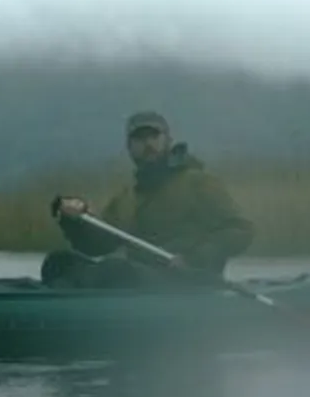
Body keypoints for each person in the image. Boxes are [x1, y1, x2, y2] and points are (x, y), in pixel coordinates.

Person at [42, 110, 255, 288]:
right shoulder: (127, 198)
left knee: (116, 269)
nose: (148, 144)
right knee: (58, 262)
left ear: (167, 140)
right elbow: (99, 245)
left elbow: (240, 229)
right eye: (139, 139)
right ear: (129, 147)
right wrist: (75, 222)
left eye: (154, 136)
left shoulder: (197, 182)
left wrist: (195, 258)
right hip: (141, 278)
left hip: (187, 280)